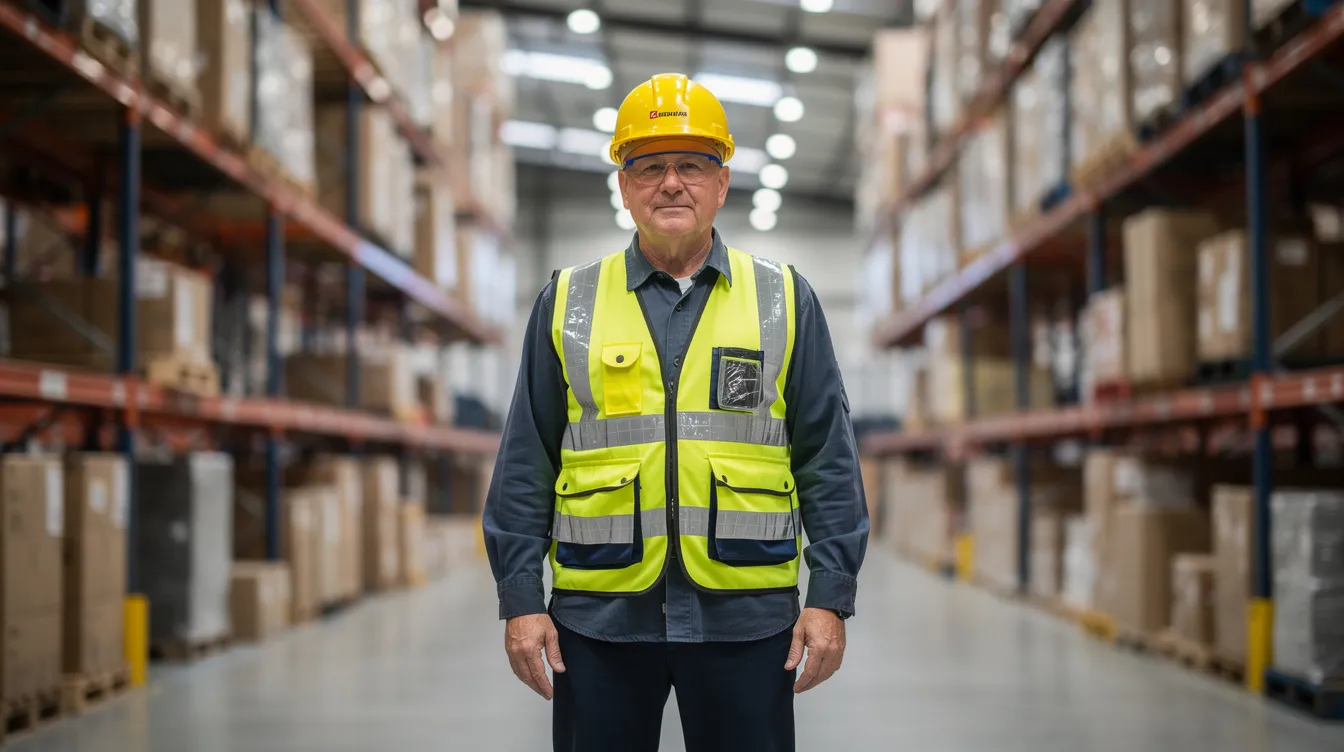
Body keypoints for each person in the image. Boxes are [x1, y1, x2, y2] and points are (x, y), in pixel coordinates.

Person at [482, 72, 869, 752]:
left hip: (746, 622)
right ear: (623, 185)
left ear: (722, 183)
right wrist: (520, 597)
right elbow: (526, 459)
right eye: (648, 166)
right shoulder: (568, 301)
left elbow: (826, 457)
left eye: (691, 165)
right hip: (598, 623)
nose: (670, 184)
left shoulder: (783, 299)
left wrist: (830, 594)